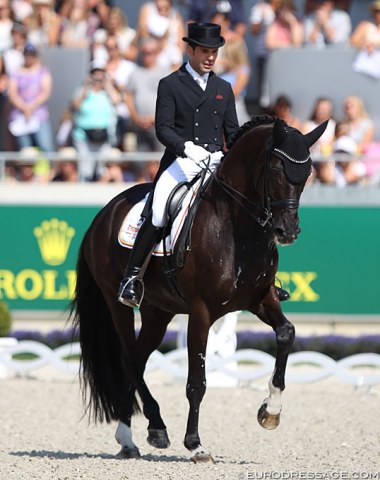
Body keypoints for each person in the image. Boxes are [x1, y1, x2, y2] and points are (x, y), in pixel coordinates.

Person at [117, 22, 290, 308]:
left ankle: (267, 279)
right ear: (191, 50)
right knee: (159, 208)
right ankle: (132, 277)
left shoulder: (223, 88)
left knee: (253, 206)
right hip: (180, 162)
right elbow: (163, 128)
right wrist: (186, 148)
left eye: (215, 52)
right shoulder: (170, 84)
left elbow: (233, 133)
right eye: (206, 51)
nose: (211, 57)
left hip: (215, 161)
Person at [70, 59, 120, 181]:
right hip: (84, 137)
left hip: (103, 136)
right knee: (85, 169)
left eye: (100, 73)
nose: (98, 77)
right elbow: (75, 105)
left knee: (101, 170)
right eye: (95, 73)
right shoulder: (82, 90)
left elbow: (117, 100)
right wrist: (86, 88)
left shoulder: (107, 92)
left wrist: (107, 84)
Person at [124, 37, 170, 153]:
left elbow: (171, 100)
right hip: (139, 127)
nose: (147, 55)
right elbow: (128, 97)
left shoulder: (166, 73)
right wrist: (136, 118)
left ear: (156, 53)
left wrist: (156, 118)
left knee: (161, 160)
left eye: (150, 52)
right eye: (144, 52)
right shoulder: (135, 73)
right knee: (140, 164)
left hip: (160, 127)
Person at [7, 42, 55, 152]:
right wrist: (24, 108)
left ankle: (49, 169)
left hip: (39, 115)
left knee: (45, 146)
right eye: (26, 54)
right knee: (26, 150)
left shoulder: (43, 71)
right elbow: (12, 93)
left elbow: (46, 91)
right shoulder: (16, 72)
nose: (28, 57)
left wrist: (31, 107)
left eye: (31, 54)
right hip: (20, 115)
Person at [249, 0, 281, 108]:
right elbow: (253, 30)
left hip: (281, 54)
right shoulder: (260, 8)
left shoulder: (283, 8)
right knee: (264, 85)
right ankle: (264, 109)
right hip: (263, 53)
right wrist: (262, 19)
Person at [220, 39, 251, 125]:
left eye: (226, 55)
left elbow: (235, 92)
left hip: (235, 107)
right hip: (220, 106)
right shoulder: (224, 70)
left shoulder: (242, 70)